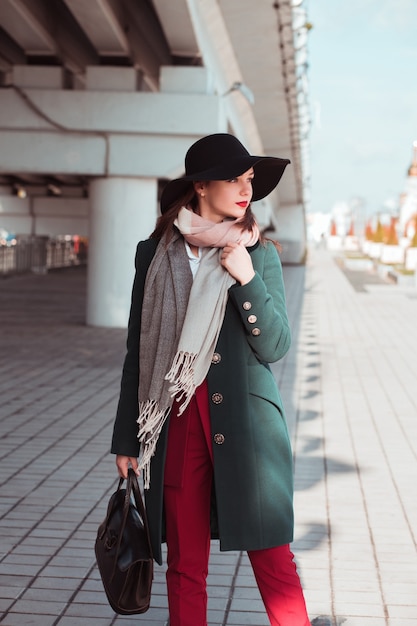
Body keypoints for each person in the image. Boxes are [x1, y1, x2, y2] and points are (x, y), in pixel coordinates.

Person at [111, 133, 310, 626]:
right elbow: (139, 350)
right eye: (233, 178)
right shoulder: (153, 255)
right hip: (176, 421)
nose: (245, 189)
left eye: (248, 180)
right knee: (185, 565)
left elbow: (276, 345)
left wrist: (246, 280)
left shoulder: (257, 252)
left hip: (248, 427)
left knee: (271, 555)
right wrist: (127, 439)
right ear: (200, 186)